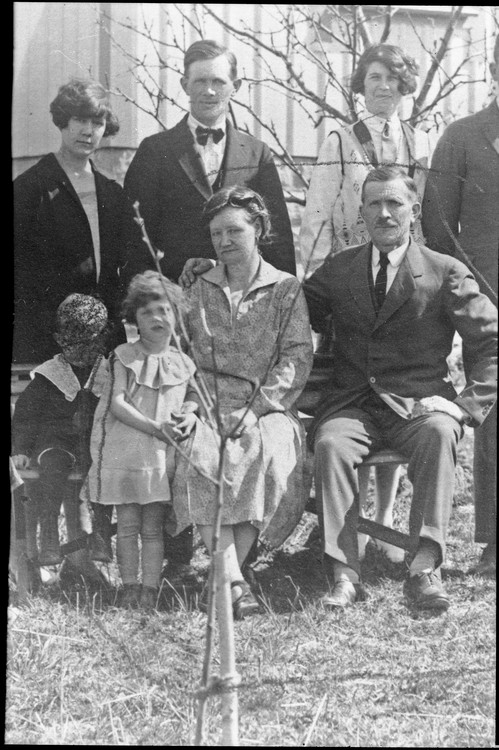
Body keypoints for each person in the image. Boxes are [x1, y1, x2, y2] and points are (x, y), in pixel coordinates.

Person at [302, 166, 497, 612]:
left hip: (418, 405)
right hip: (353, 406)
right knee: (330, 443)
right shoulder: (340, 268)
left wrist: (462, 406)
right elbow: (289, 305)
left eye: (395, 203)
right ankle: (344, 575)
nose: (385, 213)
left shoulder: (444, 271)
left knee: (439, 433)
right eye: (374, 203)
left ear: (415, 210)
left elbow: (492, 342)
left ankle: (424, 567)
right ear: (362, 212)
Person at [300, 43, 432, 560]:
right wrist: (315, 284)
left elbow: (423, 217)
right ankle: (345, 524)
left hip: (400, 286)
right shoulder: (340, 138)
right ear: (362, 85)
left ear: (405, 87)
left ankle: (385, 521)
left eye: (393, 79)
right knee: (353, 398)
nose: (383, 87)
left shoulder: (419, 141)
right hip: (351, 287)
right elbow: (317, 215)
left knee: (398, 390)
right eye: (374, 77)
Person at [171, 186, 313, 620]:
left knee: (267, 448)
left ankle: (225, 574)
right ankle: (233, 578)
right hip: (206, 400)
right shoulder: (198, 285)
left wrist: (256, 409)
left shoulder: (285, 288)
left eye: (234, 230)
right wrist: (191, 402)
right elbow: (180, 351)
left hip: (265, 404)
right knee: (199, 451)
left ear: (259, 229)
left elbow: (295, 357)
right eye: (216, 233)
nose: (224, 241)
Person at [123, 39, 296, 284]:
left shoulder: (257, 154)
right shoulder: (155, 151)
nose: (209, 91)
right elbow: (134, 239)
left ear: (235, 86)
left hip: (241, 294)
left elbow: (277, 239)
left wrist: (284, 293)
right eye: (200, 81)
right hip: (176, 292)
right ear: (185, 85)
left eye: (218, 81)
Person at [422, 36, 499, 578]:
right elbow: (438, 226)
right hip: (487, 302)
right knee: (496, 416)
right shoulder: (463, 137)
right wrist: (470, 293)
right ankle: (496, 540)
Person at [81, 271, 198, 611]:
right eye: (147, 313)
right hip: (128, 451)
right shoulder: (124, 355)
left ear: (177, 315)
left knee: (153, 528)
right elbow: (117, 404)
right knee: (128, 526)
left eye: (164, 310)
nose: (157, 318)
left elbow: (193, 396)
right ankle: (129, 586)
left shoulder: (183, 362)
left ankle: (150, 588)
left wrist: (189, 411)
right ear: (134, 319)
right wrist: (155, 427)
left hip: (161, 457)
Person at [13, 78, 128, 365]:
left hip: (103, 333)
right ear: (63, 120)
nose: (88, 131)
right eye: (80, 120)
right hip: (48, 334)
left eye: (97, 123)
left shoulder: (112, 191)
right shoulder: (31, 187)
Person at [11, 294, 113, 570]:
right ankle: (50, 538)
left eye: (89, 344)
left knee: (104, 467)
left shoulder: (108, 373)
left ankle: (101, 534)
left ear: (102, 340)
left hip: (95, 443)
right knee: (53, 468)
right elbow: (26, 415)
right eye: (72, 344)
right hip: (56, 443)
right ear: (59, 339)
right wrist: (21, 449)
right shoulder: (50, 375)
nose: (80, 352)